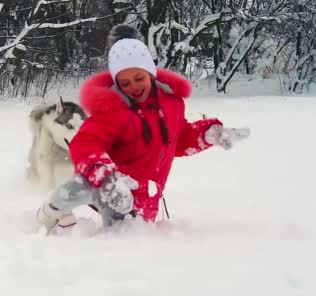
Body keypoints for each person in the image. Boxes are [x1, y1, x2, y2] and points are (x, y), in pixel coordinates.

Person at [35, 25, 250, 230]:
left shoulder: (171, 104)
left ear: (151, 73)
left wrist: (208, 134)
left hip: (143, 201)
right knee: (80, 185)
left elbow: (179, 138)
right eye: (125, 83)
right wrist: (107, 178)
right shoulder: (113, 111)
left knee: (128, 239)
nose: (134, 86)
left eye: (139, 78)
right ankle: (52, 212)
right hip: (113, 187)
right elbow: (86, 142)